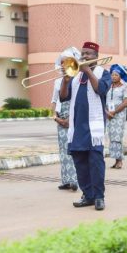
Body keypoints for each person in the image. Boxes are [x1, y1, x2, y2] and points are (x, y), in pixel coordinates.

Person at [60, 41, 111, 211]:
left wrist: (87, 70)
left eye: (88, 54)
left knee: (96, 164)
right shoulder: (75, 76)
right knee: (80, 164)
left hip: (94, 129)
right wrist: (65, 81)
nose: (84, 56)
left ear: (96, 57)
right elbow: (63, 97)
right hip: (76, 128)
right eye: (83, 54)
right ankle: (87, 195)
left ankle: (99, 197)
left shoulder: (104, 73)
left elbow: (101, 90)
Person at [51, 48, 79, 191]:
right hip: (60, 117)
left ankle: (75, 180)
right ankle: (66, 180)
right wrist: (55, 117)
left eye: (66, 63)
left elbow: (77, 101)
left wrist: (70, 119)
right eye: (61, 63)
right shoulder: (57, 81)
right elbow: (54, 100)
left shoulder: (78, 79)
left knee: (72, 149)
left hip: (73, 117)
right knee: (63, 149)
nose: (63, 65)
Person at [106, 64, 127, 169]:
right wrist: (107, 112)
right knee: (112, 137)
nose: (113, 77)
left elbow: (125, 102)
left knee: (117, 137)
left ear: (120, 76)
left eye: (116, 75)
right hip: (108, 116)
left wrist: (114, 112)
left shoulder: (124, 87)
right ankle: (116, 160)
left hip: (119, 115)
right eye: (112, 75)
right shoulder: (108, 86)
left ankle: (120, 160)